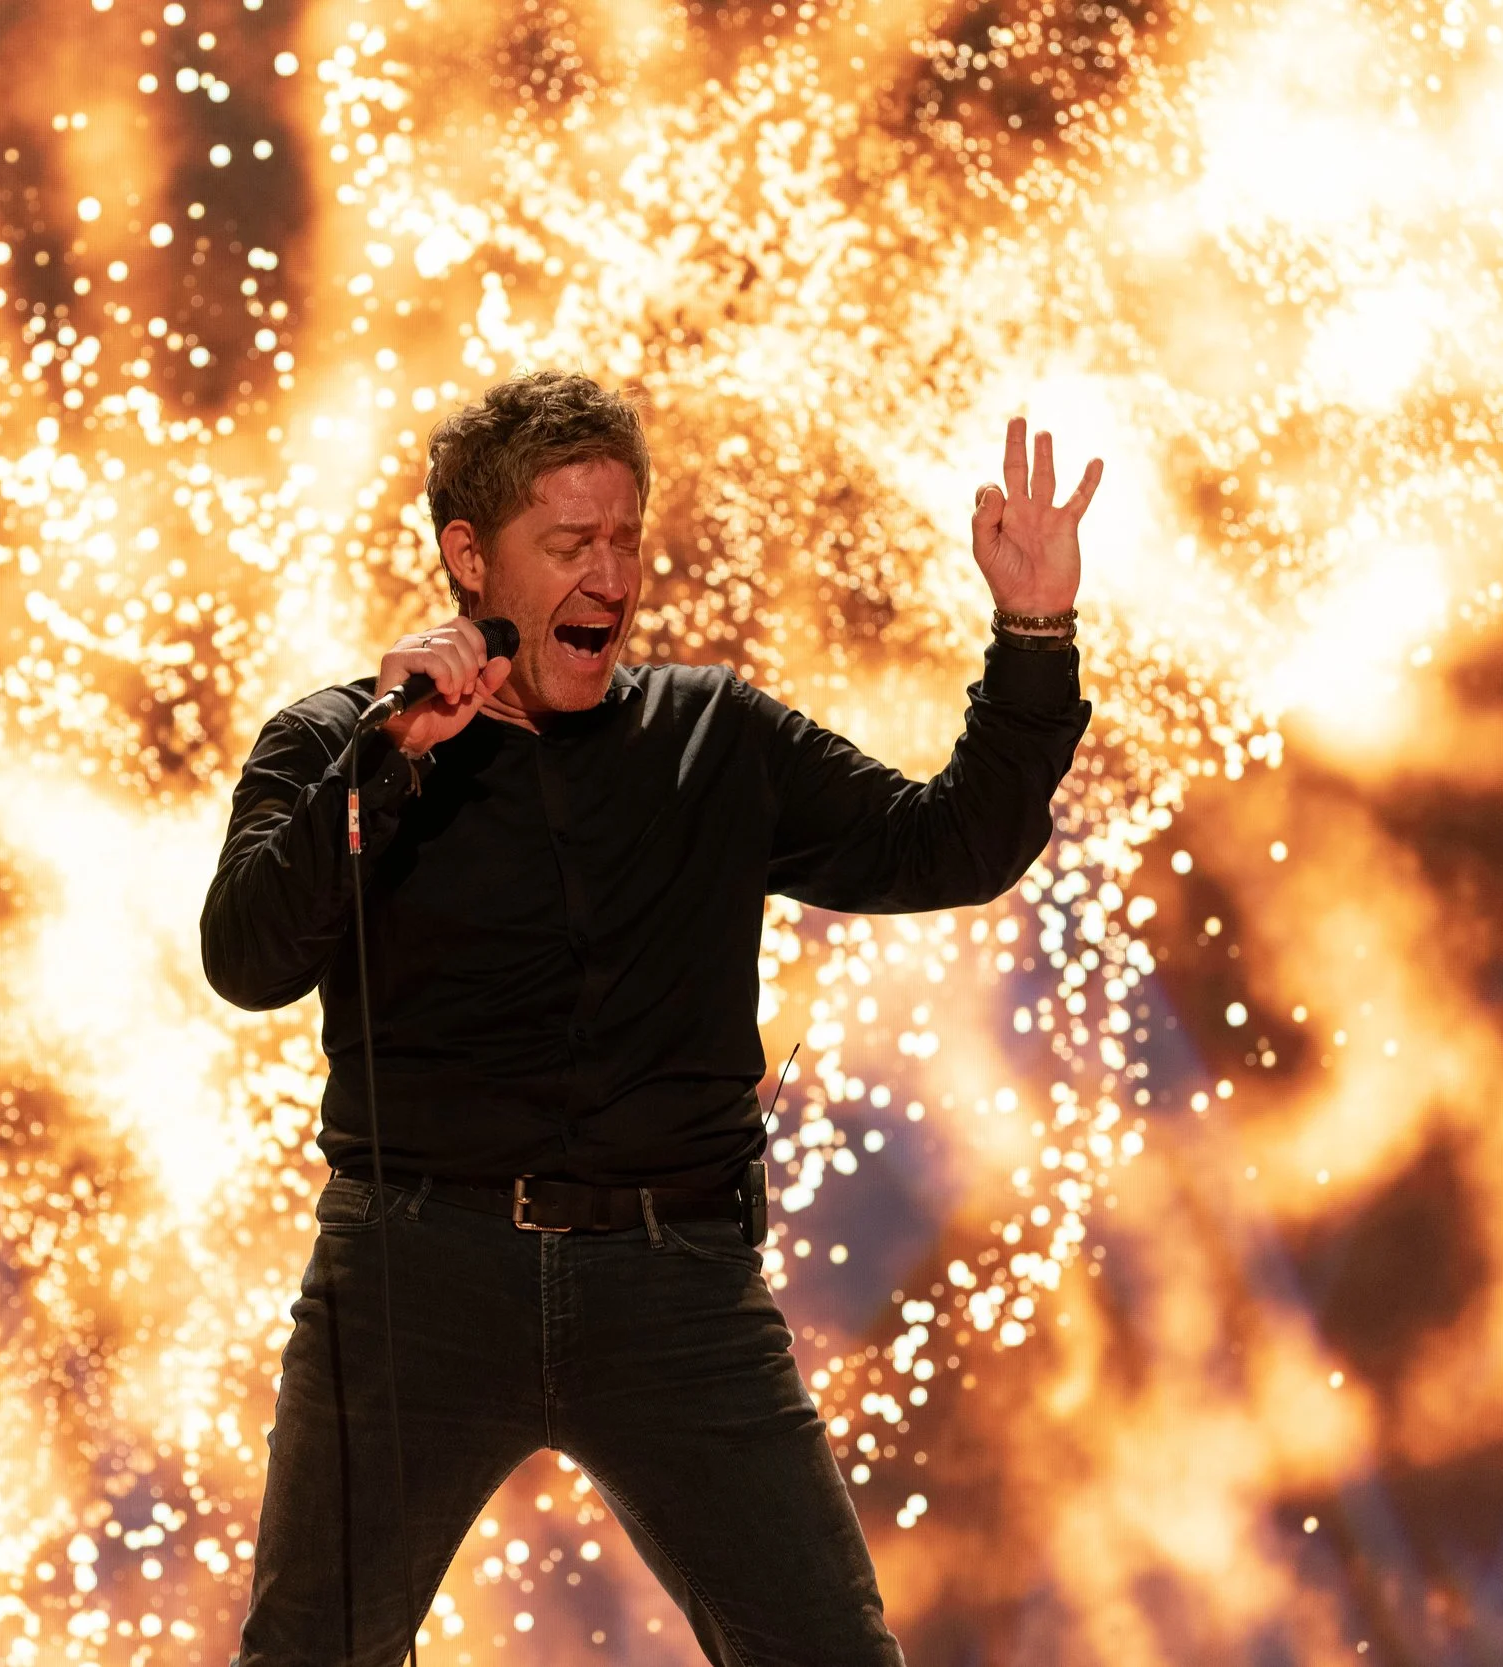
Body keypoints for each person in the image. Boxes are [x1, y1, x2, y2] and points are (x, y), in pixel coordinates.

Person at [201, 370, 1097, 1666]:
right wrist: (389, 764)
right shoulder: (344, 740)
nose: (610, 576)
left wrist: (1033, 635)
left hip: (673, 1285)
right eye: (569, 545)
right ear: (469, 556)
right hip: (414, 1284)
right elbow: (246, 957)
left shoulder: (710, 737)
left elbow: (947, 845)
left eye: (626, 538)